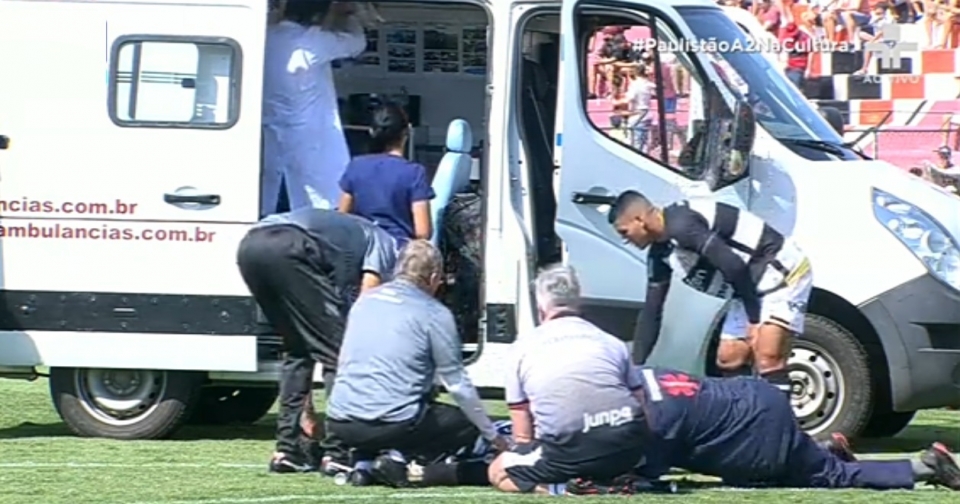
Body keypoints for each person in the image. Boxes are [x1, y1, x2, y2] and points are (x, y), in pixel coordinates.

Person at [570, 366, 960, 493]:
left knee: (836, 476)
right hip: (758, 393)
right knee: (804, 456)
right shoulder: (643, 373)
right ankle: (820, 447)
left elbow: (642, 474)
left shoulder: (654, 426)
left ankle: (925, 466)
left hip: (759, 438)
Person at [324, 240, 509, 487]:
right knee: (463, 424)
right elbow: (457, 383)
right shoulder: (434, 313)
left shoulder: (364, 302)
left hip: (339, 420)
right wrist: (491, 433)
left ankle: (364, 463)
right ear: (433, 277)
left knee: (395, 405)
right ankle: (398, 459)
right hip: (394, 423)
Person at [236, 207, 397, 473]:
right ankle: (339, 452)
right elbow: (366, 302)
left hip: (250, 246)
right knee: (339, 354)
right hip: (291, 244)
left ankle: (289, 450)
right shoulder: (387, 244)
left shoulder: (348, 232)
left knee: (297, 350)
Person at [608, 191, 812, 395]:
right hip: (747, 287)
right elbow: (652, 311)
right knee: (729, 358)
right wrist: (635, 368)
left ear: (640, 220)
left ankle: (780, 413)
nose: (626, 240)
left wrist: (753, 319)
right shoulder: (659, 254)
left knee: (768, 356)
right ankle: (750, 411)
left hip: (782, 274)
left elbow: (732, 265)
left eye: (624, 232)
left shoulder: (682, 225)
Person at [487, 264, 649, 495]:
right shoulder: (612, 342)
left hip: (568, 453)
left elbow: (522, 432)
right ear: (578, 303)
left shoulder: (520, 350)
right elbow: (641, 401)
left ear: (540, 308)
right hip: (627, 449)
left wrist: (522, 452)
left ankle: (562, 489)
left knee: (498, 472)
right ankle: (608, 478)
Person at [261, 0, 367, 215]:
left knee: (270, 204)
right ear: (317, 16)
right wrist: (348, 15)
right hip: (309, 142)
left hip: (271, 138)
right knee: (310, 210)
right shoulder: (311, 41)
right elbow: (357, 43)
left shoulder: (267, 37)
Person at [338, 103, 435, 247]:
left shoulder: (356, 166)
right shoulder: (414, 173)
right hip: (399, 251)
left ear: (372, 132)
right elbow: (423, 232)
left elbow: (342, 218)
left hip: (361, 249)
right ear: (406, 133)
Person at [614, 65, 655, 152]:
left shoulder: (635, 85)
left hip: (638, 114)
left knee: (636, 141)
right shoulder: (648, 83)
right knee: (643, 140)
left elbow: (629, 99)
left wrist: (616, 102)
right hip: (647, 112)